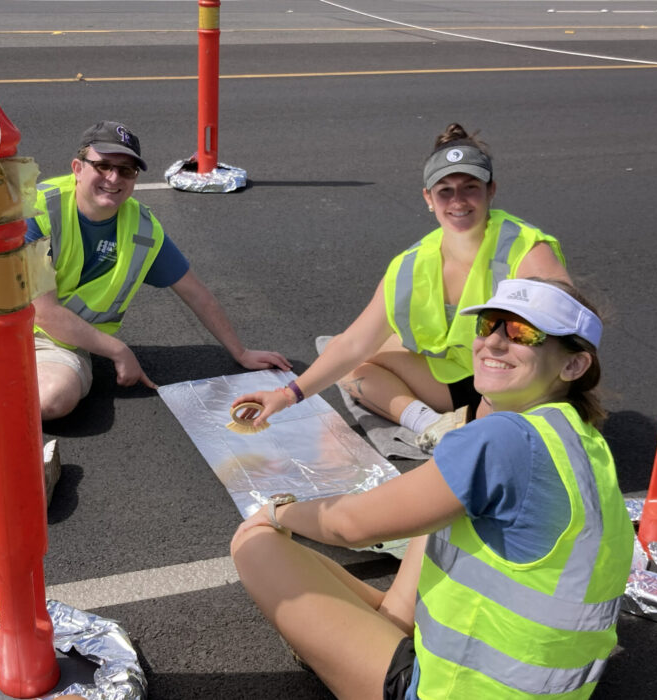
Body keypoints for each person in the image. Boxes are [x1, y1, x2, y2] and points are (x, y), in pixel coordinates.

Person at [230, 278, 633, 700]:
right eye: (489, 326)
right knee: (436, 506)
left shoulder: (505, 440)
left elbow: (349, 526)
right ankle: (383, 628)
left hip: (457, 690)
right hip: (547, 689)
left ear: (574, 365)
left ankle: (334, 654)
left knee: (258, 544)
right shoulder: (579, 436)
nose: (493, 343)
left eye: (522, 333)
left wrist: (277, 511)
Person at [0, 121, 289, 498]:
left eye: (126, 170)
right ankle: (12, 456)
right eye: (102, 165)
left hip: (64, 342)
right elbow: (42, 308)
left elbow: (196, 292)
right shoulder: (36, 207)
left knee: (55, 401)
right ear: (77, 167)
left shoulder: (143, 229)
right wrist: (118, 350)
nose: (113, 178)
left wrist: (240, 352)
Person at [232, 123, 569, 453]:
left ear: (490, 190)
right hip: (469, 379)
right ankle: (433, 425)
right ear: (428, 197)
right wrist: (286, 396)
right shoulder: (411, 263)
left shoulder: (525, 248)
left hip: (515, 389)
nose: (458, 201)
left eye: (470, 187)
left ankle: (474, 427)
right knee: (345, 353)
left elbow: (570, 334)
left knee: (356, 361)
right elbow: (352, 344)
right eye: (445, 190)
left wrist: (544, 410)